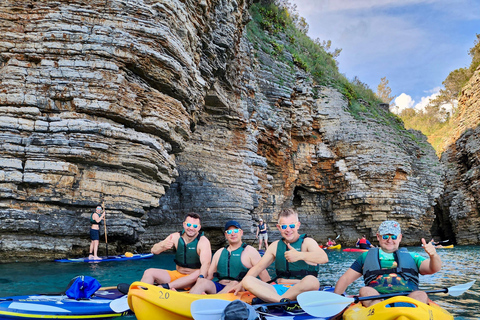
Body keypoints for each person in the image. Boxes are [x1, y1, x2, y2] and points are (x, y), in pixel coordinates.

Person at [231, 208, 329, 304]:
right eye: (284, 227)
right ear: (278, 227)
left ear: (298, 225)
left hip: (301, 289)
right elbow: (258, 267)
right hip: (278, 288)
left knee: (312, 281)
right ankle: (282, 301)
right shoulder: (275, 246)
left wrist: (300, 255)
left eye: (291, 225)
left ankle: (277, 300)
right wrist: (241, 284)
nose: (288, 230)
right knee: (247, 280)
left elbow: (324, 258)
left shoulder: (307, 242)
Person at [334, 220, 441, 307]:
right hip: (375, 299)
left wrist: (433, 255)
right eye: (385, 236)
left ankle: (407, 311)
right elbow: (346, 279)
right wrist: (335, 300)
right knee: (365, 290)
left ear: (400, 237)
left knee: (421, 294)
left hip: (409, 297)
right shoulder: (365, 256)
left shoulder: (413, 256)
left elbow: (433, 268)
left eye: (393, 237)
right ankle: (382, 311)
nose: (389, 240)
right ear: (378, 237)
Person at [189, 220, 270, 294]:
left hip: (240, 290)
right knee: (202, 281)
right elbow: (209, 276)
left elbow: (265, 278)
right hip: (219, 287)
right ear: (226, 235)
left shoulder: (251, 252)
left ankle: (212, 300)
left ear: (241, 232)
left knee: (234, 283)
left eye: (235, 231)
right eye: (229, 231)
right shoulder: (219, 252)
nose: (232, 233)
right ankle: (188, 300)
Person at [140, 212, 212, 290]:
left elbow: (206, 264)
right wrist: (163, 246)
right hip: (178, 275)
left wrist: (201, 279)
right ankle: (141, 294)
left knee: (199, 272)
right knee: (149, 272)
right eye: (188, 225)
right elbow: (154, 250)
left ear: (199, 228)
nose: (191, 228)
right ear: (184, 224)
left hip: (193, 280)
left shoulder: (203, 242)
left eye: (195, 226)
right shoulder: (175, 237)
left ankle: (167, 287)